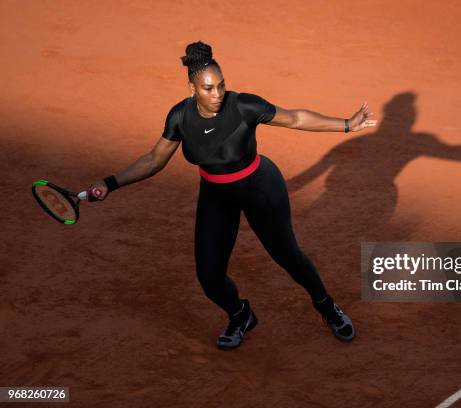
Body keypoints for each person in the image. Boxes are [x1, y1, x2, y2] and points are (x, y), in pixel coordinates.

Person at [87, 41, 377, 349]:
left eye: (221, 86)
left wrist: (347, 124)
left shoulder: (244, 106)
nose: (217, 95)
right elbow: (154, 160)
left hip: (261, 188)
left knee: (288, 257)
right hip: (216, 196)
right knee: (209, 277)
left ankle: (326, 307)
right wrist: (110, 183)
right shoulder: (180, 117)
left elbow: (295, 118)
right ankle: (240, 315)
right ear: (192, 88)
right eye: (208, 88)